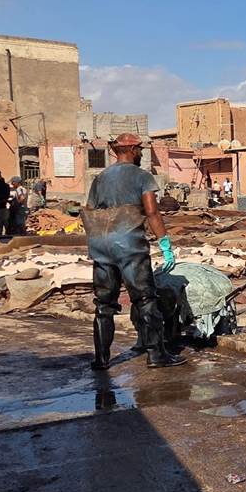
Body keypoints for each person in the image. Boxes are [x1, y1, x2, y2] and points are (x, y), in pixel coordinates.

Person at [81, 133, 184, 370]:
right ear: (132, 150)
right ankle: (156, 355)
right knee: (145, 299)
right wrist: (165, 244)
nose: (141, 153)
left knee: (104, 305)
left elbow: (90, 210)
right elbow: (152, 212)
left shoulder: (100, 178)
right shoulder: (142, 176)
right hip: (129, 246)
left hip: (101, 246)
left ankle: (101, 359)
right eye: (140, 150)